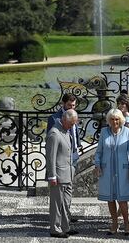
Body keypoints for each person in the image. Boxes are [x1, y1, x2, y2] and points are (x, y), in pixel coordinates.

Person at [95, 108, 129, 235]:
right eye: (112, 119)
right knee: (110, 198)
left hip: (123, 171)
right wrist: (97, 164)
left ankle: (127, 222)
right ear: (109, 120)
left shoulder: (128, 132)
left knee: (122, 199)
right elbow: (99, 151)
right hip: (107, 170)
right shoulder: (104, 132)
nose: (114, 122)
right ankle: (114, 222)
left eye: (117, 119)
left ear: (121, 120)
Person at [47, 93, 81, 223]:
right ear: (63, 104)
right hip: (61, 161)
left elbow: (74, 133)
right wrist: (52, 174)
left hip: (73, 157)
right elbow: (51, 146)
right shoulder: (54, 119)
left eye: (73, 105)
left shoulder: (73, 115)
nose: (71, 108)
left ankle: (66, 218)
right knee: (59, 194)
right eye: (69, 105)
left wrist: (77, 146)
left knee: (68, 192)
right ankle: (58, 221)